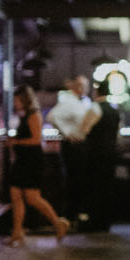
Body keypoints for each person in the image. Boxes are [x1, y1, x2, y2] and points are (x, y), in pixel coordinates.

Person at [7, 84, 70, 245]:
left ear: (24, 99)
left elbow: (36, 140)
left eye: (17, 99)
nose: (15, 103)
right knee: (16, 195)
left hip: (30, 161)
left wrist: (16, 142)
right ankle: (17, 232)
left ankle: (57, 223)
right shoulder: (25, 115)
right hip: (23, 160)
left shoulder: (33, 115)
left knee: (32, 197)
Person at [47, 75, 91, 224]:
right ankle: (69, 215)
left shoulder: (82, 102)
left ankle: (74, 213)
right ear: (76, 87)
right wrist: (67, 133)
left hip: (78, 145)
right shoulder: (69, 101)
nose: (85, 89)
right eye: (83, 86)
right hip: (72, 146)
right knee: (73, 180)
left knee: (78, 180)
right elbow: (52, 117)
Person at [79, 80, 120, 232]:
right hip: (111, 153)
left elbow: (84, 130)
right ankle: (106, 222)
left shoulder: (95, 108)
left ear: (97, 92)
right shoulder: (114, 110)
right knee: (107, 188)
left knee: (94, 187)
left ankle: (94, 221)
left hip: (95, 154)